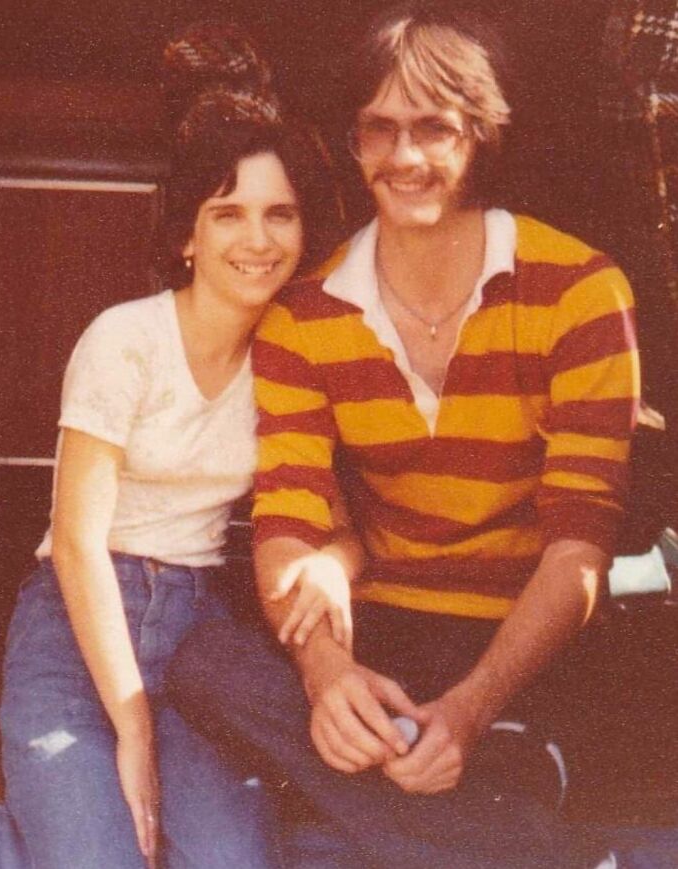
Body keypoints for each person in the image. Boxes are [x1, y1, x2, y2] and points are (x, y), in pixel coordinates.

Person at [168, 3, 640, 867]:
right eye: (379, 129)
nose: (405, 158)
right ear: (353, 143)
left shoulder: (580, 292)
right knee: (202, 663)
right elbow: (289, 519)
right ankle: (523, 849)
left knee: (335, 836)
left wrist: (467, 707)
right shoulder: (305, 314)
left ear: (480, 137)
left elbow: (581, 548)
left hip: (525, 642)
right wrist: (326, 674)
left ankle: (459, 808)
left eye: (433, 128)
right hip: (381, 628)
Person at [0, 23, 341, 869]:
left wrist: (336, 561)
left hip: (195, 640)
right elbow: (77, 544)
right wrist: (131, 724)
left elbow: (347, 511)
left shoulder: (294, 356)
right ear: (188, 233)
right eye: (228, 214)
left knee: (234, 861)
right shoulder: (126, 339)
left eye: (278, 214)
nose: (256, 240)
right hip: (76, 634)